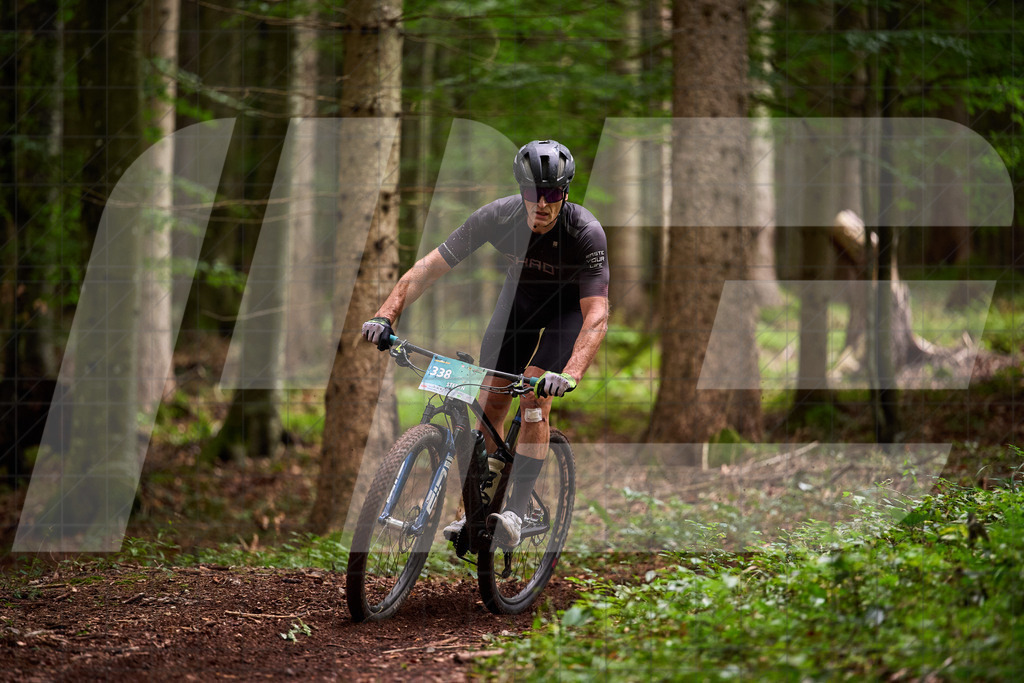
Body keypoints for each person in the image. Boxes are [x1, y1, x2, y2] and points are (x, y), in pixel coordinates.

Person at [361, 139, 609, 547]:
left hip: (568, 315)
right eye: (533, 194)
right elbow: (426, 269)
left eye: (552, 195)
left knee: (532, 395)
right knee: (492, 398)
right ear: (521, 190)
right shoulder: (497, 216)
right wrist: (384, 314)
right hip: (520, 308)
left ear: (564, 194)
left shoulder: (584, 232)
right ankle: (475, 509)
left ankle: (519, 506)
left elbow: (597, 315)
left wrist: (570, 374)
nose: (541, 205)